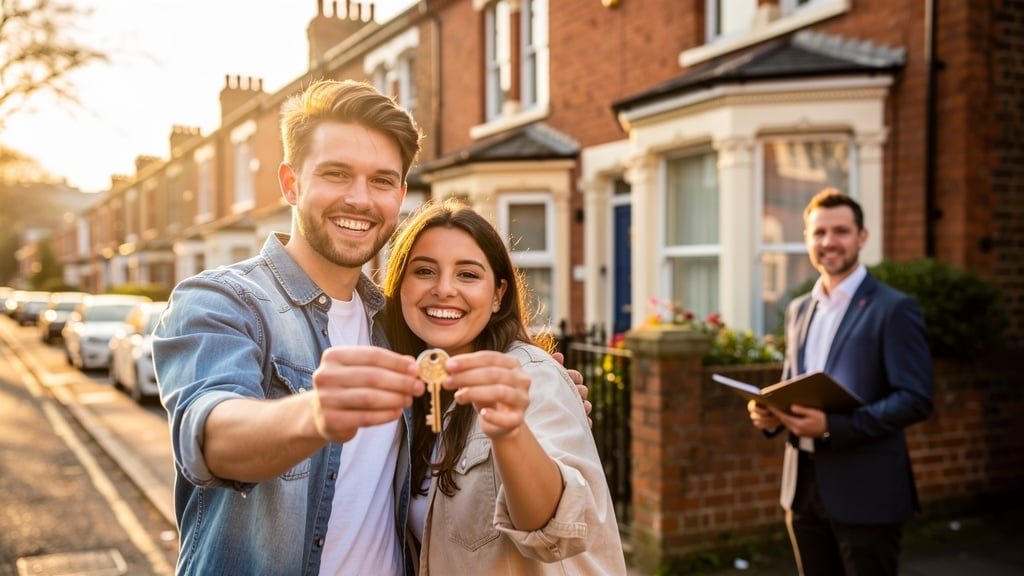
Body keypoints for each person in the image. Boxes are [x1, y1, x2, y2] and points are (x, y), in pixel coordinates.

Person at [154, 79, 589, 576]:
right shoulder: (223, 301)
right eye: (337, 174)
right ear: (290, 182)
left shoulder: (396, 325)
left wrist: (550, 392)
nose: (360, 199)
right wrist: (316, 414)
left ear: (400, 193)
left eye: (382, 180)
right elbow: (211, 437)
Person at [379, 198, 627, 574]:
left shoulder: (531, 378)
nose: (444, 289)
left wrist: (510, 431)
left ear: (498, 295)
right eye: (425, 271)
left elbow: (555, 530)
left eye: (467, 274)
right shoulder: (410, 391)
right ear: (400, 287)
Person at [747, 188, 933, 576]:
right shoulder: (799, 308)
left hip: (868, 489)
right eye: (818, 233)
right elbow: (792, 383)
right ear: (806, 239)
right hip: (802, 488)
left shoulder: (894, 309)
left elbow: (915, 398)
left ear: (862, 237)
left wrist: (835, 426)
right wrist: (772, 415)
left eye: (841, 231)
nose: (828, 242)